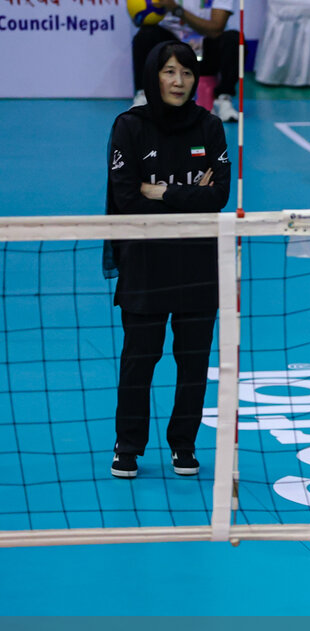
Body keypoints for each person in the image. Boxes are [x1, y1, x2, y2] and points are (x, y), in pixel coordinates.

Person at [107, 41, 231, 478]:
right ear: (153, 76)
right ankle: (128, 445)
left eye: (187, 73)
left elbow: (219, 195)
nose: (179, 82)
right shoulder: (129, 127)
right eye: (170, 72)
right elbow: (125, 199)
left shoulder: (210, 126)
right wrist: (189, 197)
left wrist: (161, 191)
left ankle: (184, 444)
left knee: (194, 361)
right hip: (146, 262)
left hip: (198, 263)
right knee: (140, 357)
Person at [131, 0, 241, 123]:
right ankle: (144, 96)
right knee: (146, 34)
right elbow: (139, 18)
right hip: (171, 45)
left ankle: (223, 99)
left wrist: (177, 10)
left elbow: (216, 29)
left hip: (207, 48)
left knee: (234, 40)